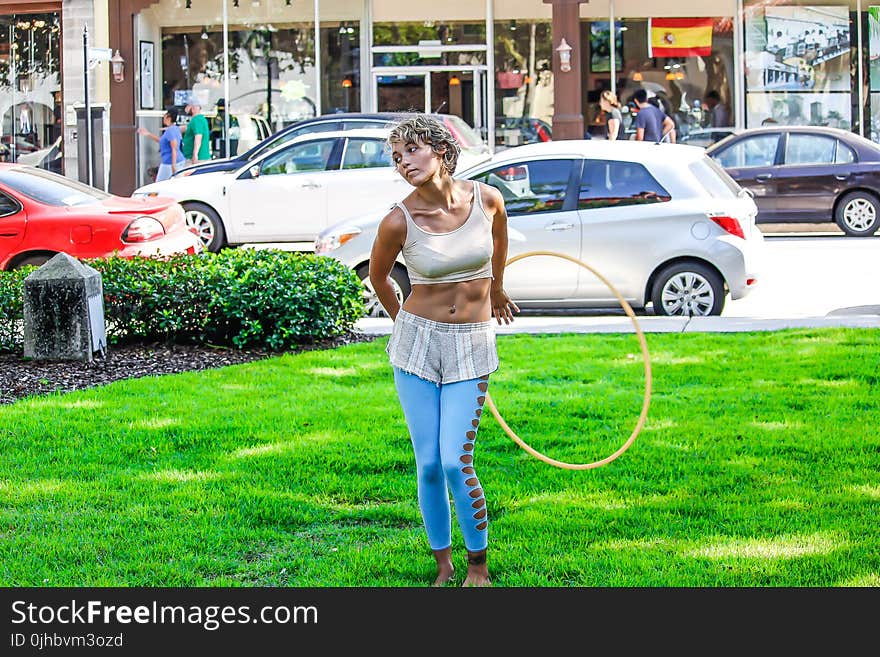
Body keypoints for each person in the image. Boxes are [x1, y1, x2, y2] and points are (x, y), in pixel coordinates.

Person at [369, 114, 519, 587]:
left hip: (471, 344)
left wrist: (496, 288)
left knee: (456, 459)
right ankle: (443, 565)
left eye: (411, 150)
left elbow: (499, 240)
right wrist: (406, 327)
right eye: (396, 157)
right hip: (416, 344)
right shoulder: (398, 219)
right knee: (429, 462)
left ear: (440, 149)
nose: (403, 162)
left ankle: (479, 565)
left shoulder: (487, 199)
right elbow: (379, 279)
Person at [138, 108, 185, 181]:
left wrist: (173, 165)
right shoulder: (175, 128)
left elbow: (174, 148)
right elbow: (162, 141)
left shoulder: (170, 131)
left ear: (168, 117)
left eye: (164, 116)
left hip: (169, 162)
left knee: (159, 183)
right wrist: (148, 134)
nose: (163, 118)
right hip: (176, 161)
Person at [181, 100, 211, 165]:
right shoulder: (200, 119)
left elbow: (198, 137)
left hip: (197, 159)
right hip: (199, 158)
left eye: (187, 106)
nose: (185, 108)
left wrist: (195, 155)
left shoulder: (196, 120)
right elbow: (186, 128)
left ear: (193, 108)